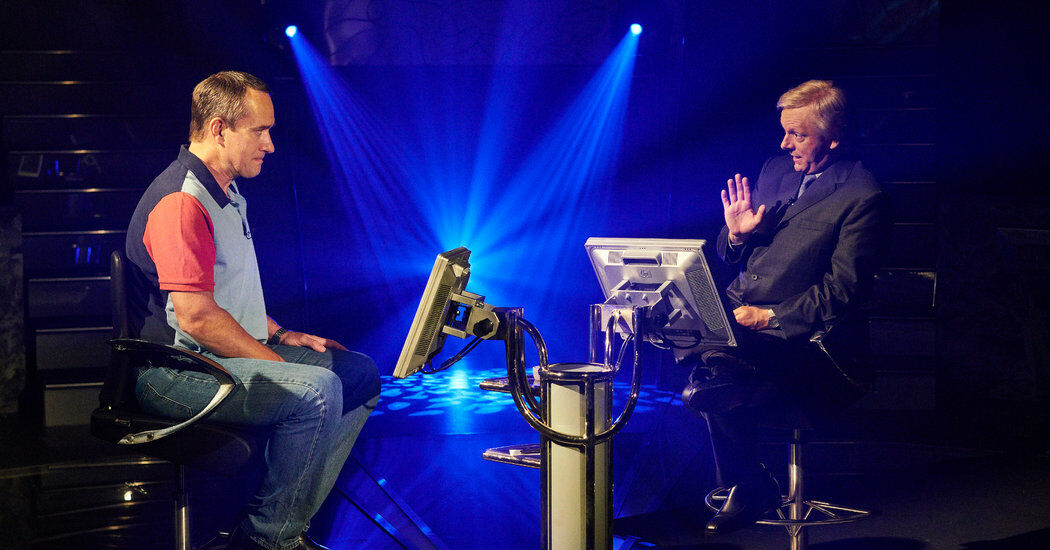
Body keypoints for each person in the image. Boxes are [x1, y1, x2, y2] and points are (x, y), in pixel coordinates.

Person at [124, 71, 381, 550]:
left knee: (357, 374)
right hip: (172, 372)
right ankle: (265, 540)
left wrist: (281, 335)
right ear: (220, 129)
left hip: (213, 355)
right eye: (260, 130)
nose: (270, 144)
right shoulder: (182, 201)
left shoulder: (226, 193)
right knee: (318, 390)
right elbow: (198, 318)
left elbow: (224, 298)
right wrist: (279, 366)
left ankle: (284, 525)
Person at [682, 80, 885, 534]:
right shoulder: (775, 170)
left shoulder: (862, 194)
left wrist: (770, 317)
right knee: (679, 327)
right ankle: (746, 479)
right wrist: (737, 235)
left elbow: (843, 291)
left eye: (797, 134)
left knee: (712, 378)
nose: (784, 143)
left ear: (833, 137)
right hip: (742, 323)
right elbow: (733, 255)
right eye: (784, 132)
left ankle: (745, 483)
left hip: (810, 342)